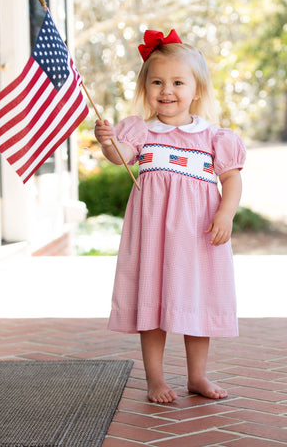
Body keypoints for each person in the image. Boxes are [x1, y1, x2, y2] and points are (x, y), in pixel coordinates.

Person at [94, 29, 246, 403]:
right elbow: (121, 157)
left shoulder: (213, 136)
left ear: (197, 90)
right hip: (153, 235)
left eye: (178, 82)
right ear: (145, 87)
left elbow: (231, 179)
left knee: (197, 301)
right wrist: (106, 141)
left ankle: (197, 376)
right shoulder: (140, 130)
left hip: (197, 234)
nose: (167, 90)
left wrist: (225, 214)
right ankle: (155, 379)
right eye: (157, 81)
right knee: (153, 302)